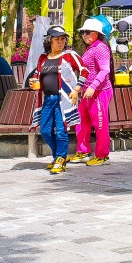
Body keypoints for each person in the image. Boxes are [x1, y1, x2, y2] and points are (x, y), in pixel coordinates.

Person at [30, 26, 85, 175]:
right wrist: (34, 81)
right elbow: (36, 75)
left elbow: (84, 70)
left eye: (63, 39)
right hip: (47, 100)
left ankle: (60, 159)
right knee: (45, 130)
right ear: (49, 41)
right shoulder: (43, 58)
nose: (61, 42)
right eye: (57, 39)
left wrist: (77, 89)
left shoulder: (69, 55)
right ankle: (59, 156)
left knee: (61, 131)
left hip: (64, 100)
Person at [69, 18, 115, 166]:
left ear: (97, 33)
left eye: (87, 32)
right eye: (83, 32)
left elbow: (105, 70)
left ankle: (102, 155)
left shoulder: (100, 47)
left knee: (100, 124)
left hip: (99, 92)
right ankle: (83, 151)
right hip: (88, 93)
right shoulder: (91, 48)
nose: (84, 35)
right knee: (81, 122)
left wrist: (93, 86)